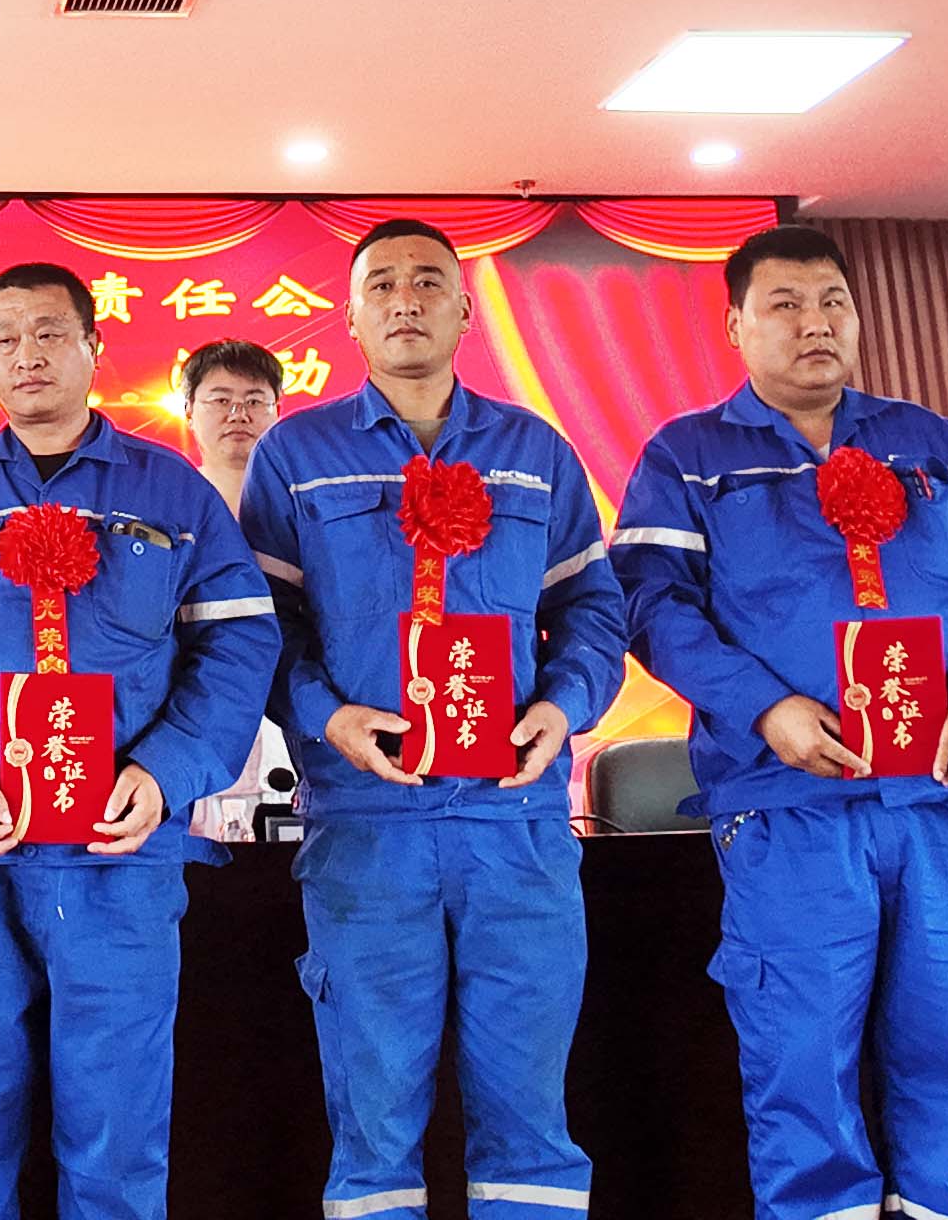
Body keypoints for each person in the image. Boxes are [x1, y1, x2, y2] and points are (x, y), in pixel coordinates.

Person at [612, 226, 948, 1220]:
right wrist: (763, 706)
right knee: (801, 1056)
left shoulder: (932, 442)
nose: (815, 324)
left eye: (833, 303)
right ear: (735, 326)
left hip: (939, 798)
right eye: (786, 305)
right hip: (789, 806)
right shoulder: (689, 456)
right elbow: (651, 603)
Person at [0, 266, 279, 1220]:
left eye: (51, 333)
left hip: (119, 853)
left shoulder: (172, 493)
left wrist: (165, 772)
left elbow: (240, 643)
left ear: (95, 349)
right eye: (6, 338)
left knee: (117, 1124)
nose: (28, 356)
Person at [243, 218, 629, 1220]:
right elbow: (263, 627)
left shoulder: (536, 451)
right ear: (350, 317)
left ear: (465, 309)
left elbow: (593, 607)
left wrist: (564, 707)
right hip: (367, 827)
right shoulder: (297, 455)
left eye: (427, 281)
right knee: (373, 1124)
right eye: (381, 284)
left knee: (531, 1121)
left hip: (515, 821)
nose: (404, 299)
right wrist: (327, 718)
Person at [175, 338, 295, 844]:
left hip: (293, 694)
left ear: (277, 409)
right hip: (199, 695)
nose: (237, 414)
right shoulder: (170, 505)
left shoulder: (304, 507)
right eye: (220, 399)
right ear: (188, 410)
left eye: (254, 400)